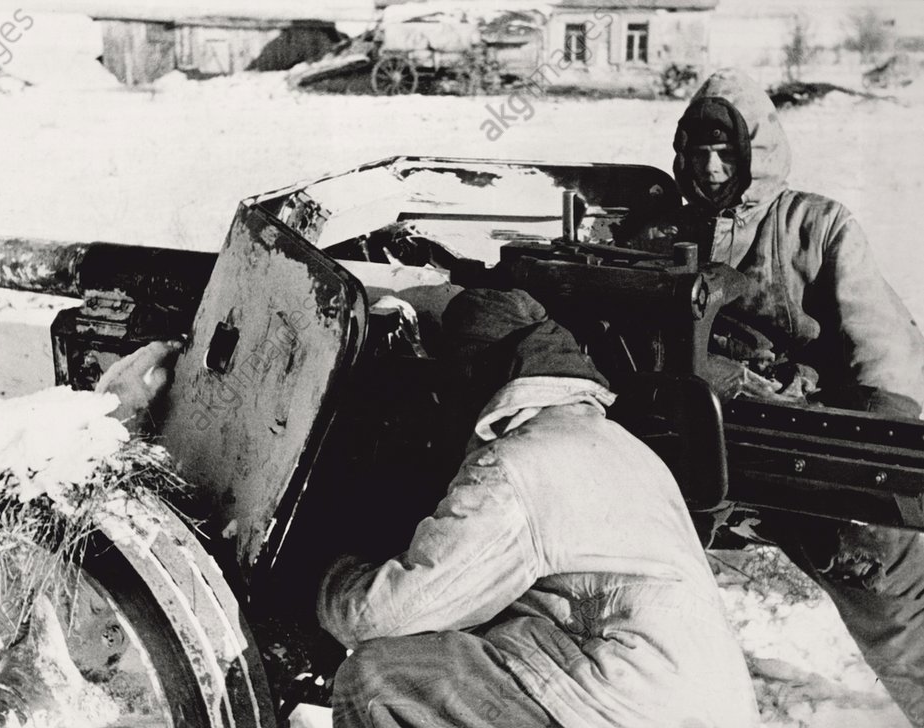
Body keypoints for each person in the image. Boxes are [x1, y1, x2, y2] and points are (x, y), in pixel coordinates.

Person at [316, 288, 758, 728]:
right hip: (702, 707)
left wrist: (321, 570)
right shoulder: (624, 447)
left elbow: (379, 616)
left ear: (478, 379)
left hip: (614, 700)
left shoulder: (518, 467)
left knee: (377, 679)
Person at [636, 67, 924, 723]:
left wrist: (866, 458)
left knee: (894, 601)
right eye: (698, 151)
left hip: (801, 448)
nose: (710, 170)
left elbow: (883, 349)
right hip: (695, 448)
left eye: (727, 153)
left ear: (757, 153)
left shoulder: (816, 225)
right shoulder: (661, 231)